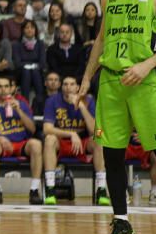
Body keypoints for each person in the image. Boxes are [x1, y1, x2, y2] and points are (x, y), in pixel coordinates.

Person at [78, 0, 156, 234]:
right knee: (111, 155)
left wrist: (147, 65)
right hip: (112, 83)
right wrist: (88, 77)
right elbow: (100, 39)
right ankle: (122, 225)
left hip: (144, 81)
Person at [42, 75, 107, 205]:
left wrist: (82, 107)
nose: (68, 87)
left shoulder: (89, 100)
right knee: (49, 139)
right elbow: (47, 129)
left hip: (83, 142)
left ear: (78, 87)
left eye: (72, 84)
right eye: (65, 84)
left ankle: (101, 190)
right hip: (62, 141)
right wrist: (71, 134)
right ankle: (50, 189)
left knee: (99, 139)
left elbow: (95, 130)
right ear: (61, 87)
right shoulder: (52, 101)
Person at [0, 75, 44, 205]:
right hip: (2, 145)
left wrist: (19, 111)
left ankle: (34, 190)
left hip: (21, 143)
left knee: (37, 144)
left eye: (6, 86)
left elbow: (32, 129)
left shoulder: (22, 105)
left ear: (12, 88)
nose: (3, 90)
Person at [13, 19, 47, 105]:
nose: (29, 30)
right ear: (23, 30)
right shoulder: (16, 45)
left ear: (35, 30)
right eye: (27, 28)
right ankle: (25, 102)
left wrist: (32, 66)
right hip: (21, 73)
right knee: (26, 71)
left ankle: (40, 102)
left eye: (32, 27)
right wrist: (31, 66)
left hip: (38, 72)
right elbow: (17, 63)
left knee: (35, 71)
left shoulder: (40, 44)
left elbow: (42, 63)